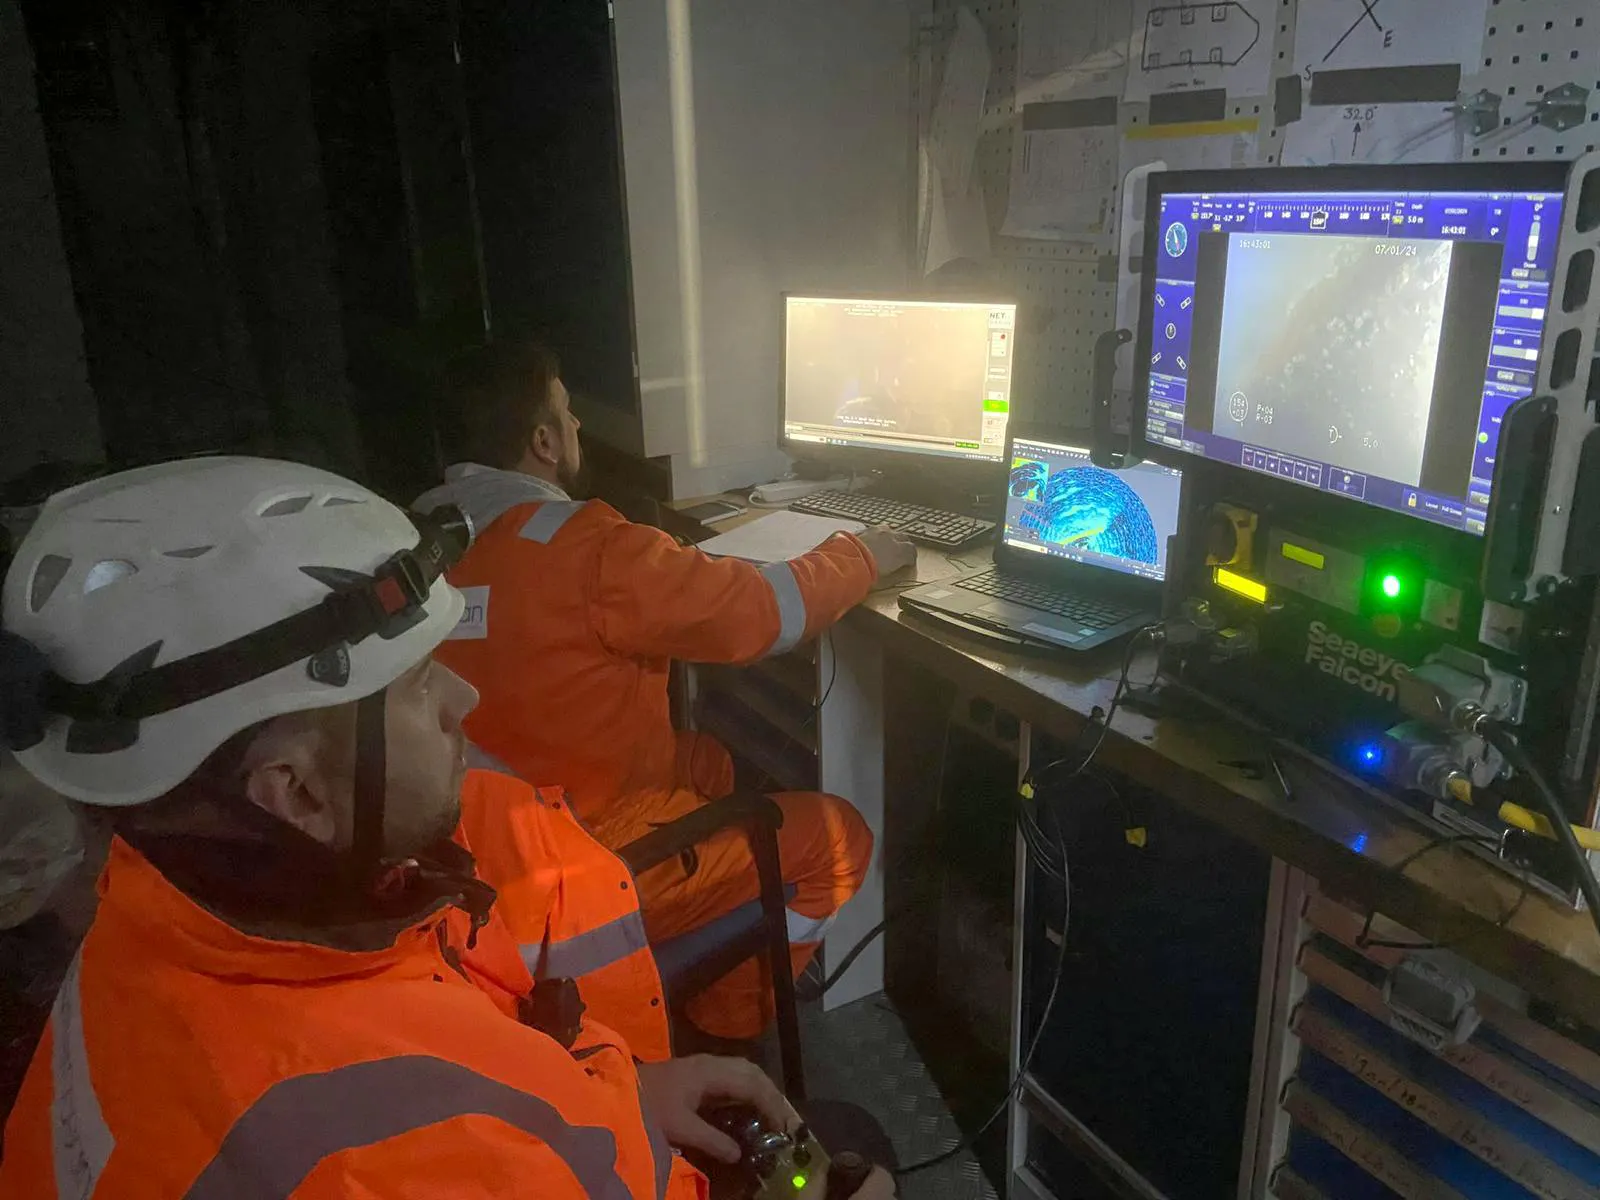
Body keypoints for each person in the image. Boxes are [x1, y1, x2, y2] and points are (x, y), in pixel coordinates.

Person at [0, 457, 894, 1198]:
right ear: (295, 794)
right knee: (854, 1149)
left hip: (611, 1104)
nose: (463, 700)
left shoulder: (142, 936)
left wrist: (627, 1087)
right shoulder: (417, 1137)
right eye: (420, 687)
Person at [417, 342, 917, 1040]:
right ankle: (727, 1029)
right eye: (567, 414)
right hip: (578, 870)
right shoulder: (586, 547)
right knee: (839, 839)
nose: (578, 429)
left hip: (482, 856)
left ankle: (698, 928)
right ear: (543, 441)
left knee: (706, 761)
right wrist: (865, 553)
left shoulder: (411, 544)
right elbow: (757, 612)